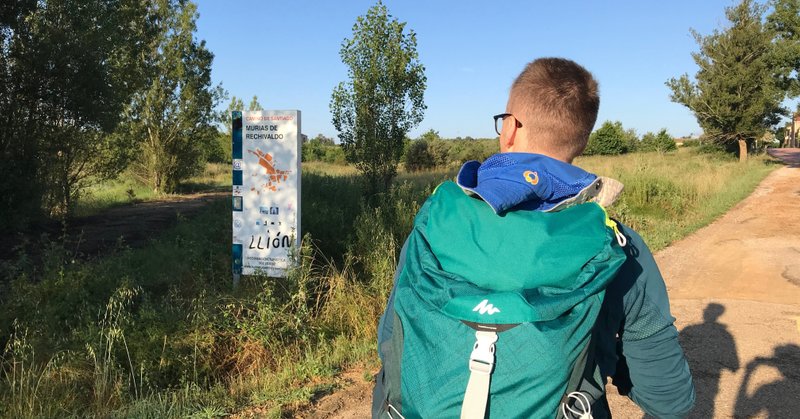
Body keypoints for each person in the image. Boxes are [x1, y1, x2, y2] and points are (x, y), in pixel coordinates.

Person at [373, 57, 695, 418]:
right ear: (583, 140)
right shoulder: (616, 248)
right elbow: (669, 398)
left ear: (509, 129)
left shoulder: (435, 221)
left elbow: (390, 343)